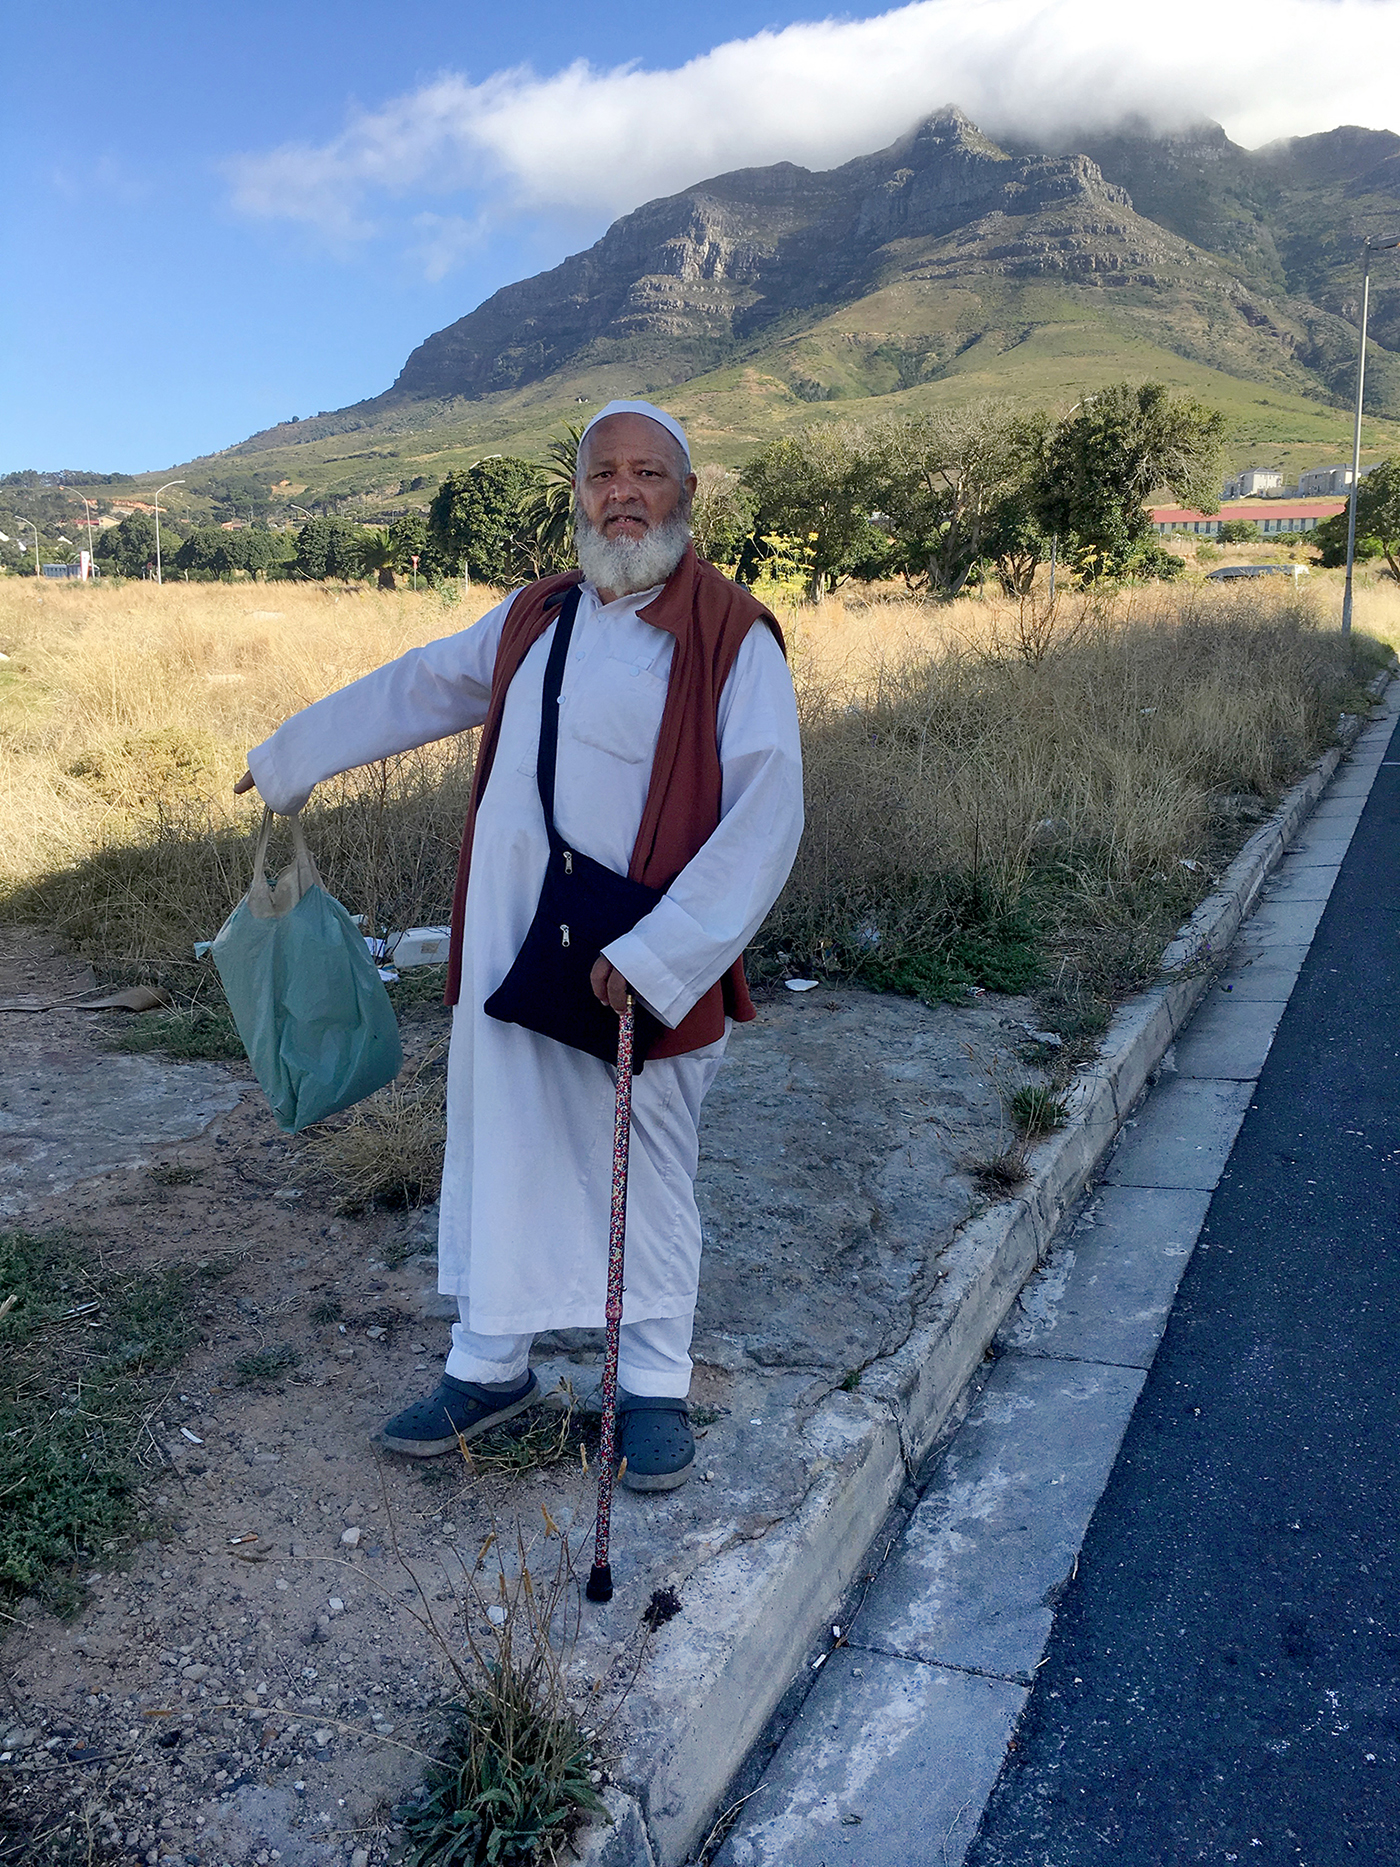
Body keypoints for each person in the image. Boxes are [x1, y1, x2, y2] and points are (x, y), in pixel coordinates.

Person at [235, 401, 803, 1489]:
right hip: (511, 949)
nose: (622, 494)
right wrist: (286, 759)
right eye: (602, 475)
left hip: (636, 962)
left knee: (650, 1174)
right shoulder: (532, 615)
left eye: (647, 474)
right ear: (578, 495)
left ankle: (648, 1388)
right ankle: (488, 1367)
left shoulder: (731, 634)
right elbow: (418, 685)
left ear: (686, 495)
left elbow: (767, 813)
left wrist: (662, 952)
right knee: (500, 1155)